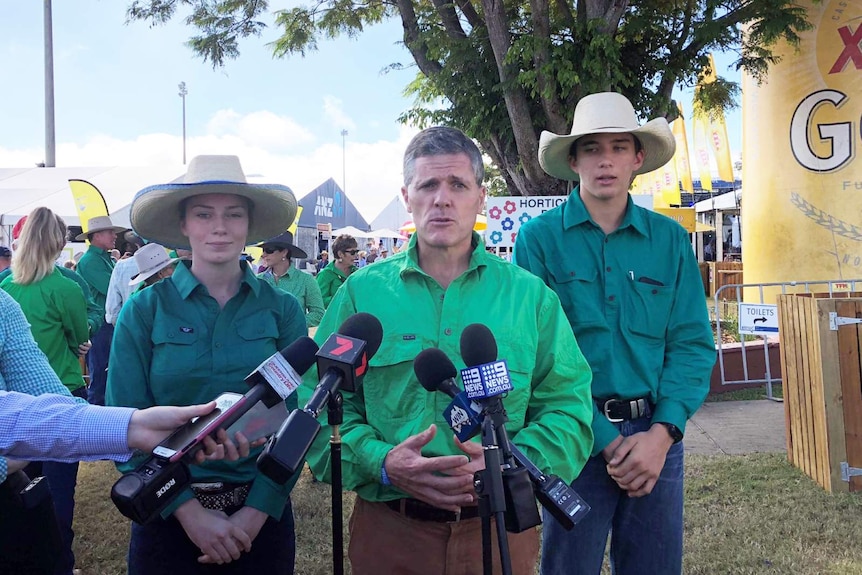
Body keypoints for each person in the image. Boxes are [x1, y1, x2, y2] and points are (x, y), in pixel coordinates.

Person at [299, 127, 594, 575]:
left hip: (500, 534)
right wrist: (382, 462)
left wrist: (510, 461)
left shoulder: (530, 298)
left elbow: (568, 408)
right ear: (407, 196)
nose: (442, 198)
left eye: (457, 184)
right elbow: (315, 403)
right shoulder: (361, 294)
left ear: (481, 197)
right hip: (391, 532)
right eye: (428, 185)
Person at [512, 92, 716, 575]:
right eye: (592, 148)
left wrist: (663, 434)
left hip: (656, 442)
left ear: (638, 158)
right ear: (574, 158)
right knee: (569, 569)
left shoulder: (669, 240)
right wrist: (604, 437)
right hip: (572, 437)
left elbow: (691, 344)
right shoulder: (537, 240)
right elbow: (536, 355)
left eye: (620, 147)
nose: (606, 160)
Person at [107, 154, 307, 574]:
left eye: (234, 214)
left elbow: (300, 421)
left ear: (250, 225)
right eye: (204, 214)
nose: (219, 227)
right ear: (183, 225)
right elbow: (123, 420)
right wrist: (188, 513)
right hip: (165, 516)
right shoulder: (145, 310)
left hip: (261, 519)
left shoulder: (283, 310)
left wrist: (255, 513)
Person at [0, 207, 91, 575]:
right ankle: (62, 559)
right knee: (55, 493)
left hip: (21, 410)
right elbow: (80, 334)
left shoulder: (6, 287)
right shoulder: (67, 286)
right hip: (59, 392)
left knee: (26, 493)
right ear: (58, 242)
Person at [76, 215, 126, 406]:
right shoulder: (91, 261)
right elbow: (114, 289)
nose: (115, 235)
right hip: (101, 327)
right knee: (100, 376)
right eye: (110, 232)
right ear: (97, 235)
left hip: (105, 324)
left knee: (104, 373)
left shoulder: (100, 259)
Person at [256, 231, 324, 328]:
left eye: (269, 250)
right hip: (262, 340)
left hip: (292, 340)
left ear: (284, 252)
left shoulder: (306, 280)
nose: (264, 255)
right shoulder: (258, 280)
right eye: (263, 250)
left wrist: (292, 325)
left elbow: (318, 314)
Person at [106, 243, 178, 324]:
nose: (173, 270)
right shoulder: (160, 299)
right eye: (170, 267)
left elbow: (112, 312)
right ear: (161, 274)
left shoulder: (137, 300)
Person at [316, 234, 359, 308]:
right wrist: (343, 299)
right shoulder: (325, 274)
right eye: (352, 252)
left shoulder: (357, 273)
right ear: (340, 254)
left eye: (356, 251)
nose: (356, 255)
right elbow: (318, 301)